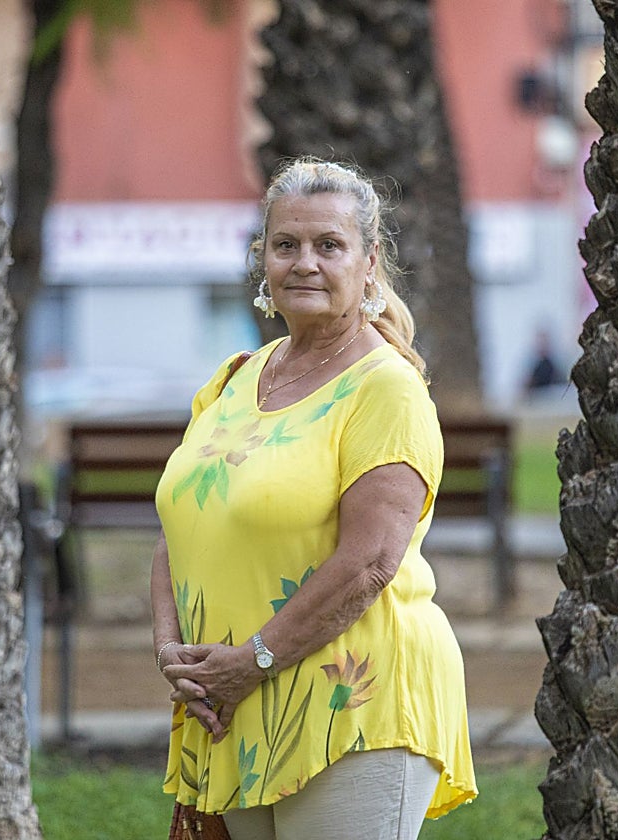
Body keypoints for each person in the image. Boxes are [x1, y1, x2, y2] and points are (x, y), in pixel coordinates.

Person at [151, 158, 477, 840]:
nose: (305, 262)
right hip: (229, 700)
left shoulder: (384, 388)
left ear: (369, 263)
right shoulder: (234, 379)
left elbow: (370, 562)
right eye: (286, 245)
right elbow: (182, 524)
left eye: (329, 245)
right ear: (262, 259)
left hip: (351, 696)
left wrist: (253, 660)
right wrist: (174, 653)